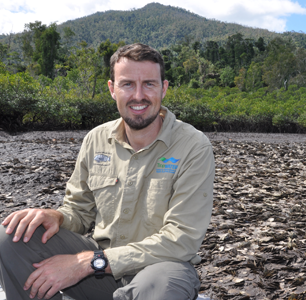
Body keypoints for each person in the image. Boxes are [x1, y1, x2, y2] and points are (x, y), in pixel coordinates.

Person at [0, 43, 215, 300]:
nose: (138, 95)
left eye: (148, 83)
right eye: (127, 84)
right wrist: (55, 216)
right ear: (112, 89)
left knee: (163, 283)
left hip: (160, 268)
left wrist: (88, 263)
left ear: (164, 88)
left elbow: (182, 239)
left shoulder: (193, 145)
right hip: (99, 274)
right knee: (12, 235)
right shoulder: (96, 139)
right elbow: (78, 211)